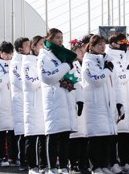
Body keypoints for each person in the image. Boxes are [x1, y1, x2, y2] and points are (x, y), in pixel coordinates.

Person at [38, 28, 77, 174]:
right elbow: (48, 77)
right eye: (57, 38)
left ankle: (64, 166)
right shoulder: (45, 56)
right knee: (53, 135)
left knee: (65, 135)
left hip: (66, 98)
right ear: (49, 39)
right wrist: (66, 65)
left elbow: (72, 77)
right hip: (53, 99)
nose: (60, 40)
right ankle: (51, 167)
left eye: (61, 37)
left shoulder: (64, 55)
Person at [82, 35, 122, 174]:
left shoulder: (108, 61)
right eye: (99, 44)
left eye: (103, 44)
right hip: (95, 104)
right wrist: (106, 70)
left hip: (109, 105)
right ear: (91, 46)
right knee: (95, 138)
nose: (102, 46)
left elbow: (116, 85)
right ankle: (95, 166)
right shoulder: (88, 62)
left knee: (107, 137)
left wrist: (119, 103)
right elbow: (95, 80)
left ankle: (106, 165)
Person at [106, 33, 129, 174]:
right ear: (113, 43)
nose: (124, 44)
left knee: (127, 136)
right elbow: (119, 77)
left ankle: (125, 161)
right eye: (121, 41)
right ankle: (114, 162)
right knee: (116, 136)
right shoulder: (110, 56)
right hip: (118, 99)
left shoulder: (127, 55)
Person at [23, 36, 46, 174]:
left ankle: (43, 165)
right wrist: (44, 77)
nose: (43, 47)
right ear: (33, 47)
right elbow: (30, 82)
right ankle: (32, 166)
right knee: (32, 136)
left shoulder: (46, 60)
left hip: (45, 102)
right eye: (41, 44)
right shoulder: (27, 62)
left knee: (44, 136)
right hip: (33, 103)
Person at [68, 36, 89, 174]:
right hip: (75, 102)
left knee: (85, 136)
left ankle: (84, 162)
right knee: (75, 136)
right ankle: (73, 163)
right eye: (80, 51)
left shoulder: (87, 65)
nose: (82, 54)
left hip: (88, 103)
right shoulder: (71, 65)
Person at [12, 37, 31, 170]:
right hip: (20, 99)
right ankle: (23, 160)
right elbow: (18, 80)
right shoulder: (16, 62)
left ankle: (30, 159)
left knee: (30, 131)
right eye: (27, 45)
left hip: (29, 99)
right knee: (22, 132)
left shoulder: (29, 59)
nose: (30, 47)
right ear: (20, 49)